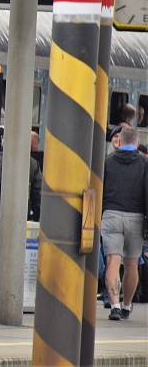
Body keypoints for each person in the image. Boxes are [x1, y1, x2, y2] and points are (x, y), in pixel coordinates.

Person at [101, 128, 148, 321]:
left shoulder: (108, 161)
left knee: (113, 261)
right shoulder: (144, 163)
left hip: (111, 214)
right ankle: (127, 305)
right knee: (132, 264)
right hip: (136, 217)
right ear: (137, 143)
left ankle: (114, 305)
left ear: (119, 141)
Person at [0, 129, 42, 222]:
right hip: (23, 214)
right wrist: (36, 217)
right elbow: (37, 194)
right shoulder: (33, 163)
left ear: (4, 141)